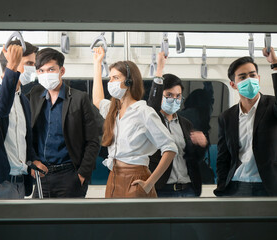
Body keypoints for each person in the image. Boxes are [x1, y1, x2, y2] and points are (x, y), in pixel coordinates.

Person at [92, 47, 178, 198]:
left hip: (135, 177)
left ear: (130, 81)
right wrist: (97, 64)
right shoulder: (114, 111)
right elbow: (97, 100)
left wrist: (150, 183)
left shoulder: (143, 112)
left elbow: (170, 149)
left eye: (116, 78)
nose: (111, 82)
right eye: (110, 78)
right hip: (113, 176)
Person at [0, 40, 48, 199]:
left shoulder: (24, 101)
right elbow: (0, 109)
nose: (32, 69)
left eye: (33, 64)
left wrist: (33, 159)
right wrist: (12, 69)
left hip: (19, 184)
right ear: (12, 63)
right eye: (28, 63)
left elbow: (24, 139)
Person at [27, 48, 101, 198]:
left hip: (69, 175)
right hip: (42, 174)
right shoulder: (34, 95)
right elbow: (27, 134)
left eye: (51, 69)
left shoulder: (79, 99)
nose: (46, 74)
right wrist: (32, 160)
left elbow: (93, 140)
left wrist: (82, 174)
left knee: (68, 220)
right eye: (41, 71)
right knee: (37, 219)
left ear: (62, 71)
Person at [214, 47, 277, 197]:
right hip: (237, 186)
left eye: (252, 75)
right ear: (233, 85)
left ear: (259, 78)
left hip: (269, 186)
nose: (249, 80)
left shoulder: (272, 106)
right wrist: (222, 188)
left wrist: (275, 64)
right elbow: (223, 158)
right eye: (242, 77)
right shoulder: (226, 117)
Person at [148, 51, 208, 197]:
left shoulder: (186, 124)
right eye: (169, 95)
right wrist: (159, 70)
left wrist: (201, 145)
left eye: (178, 96)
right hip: (162, 189)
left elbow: (192, 158)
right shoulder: (152, 119)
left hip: (188, 189)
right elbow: (152, 104)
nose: (174, 99)